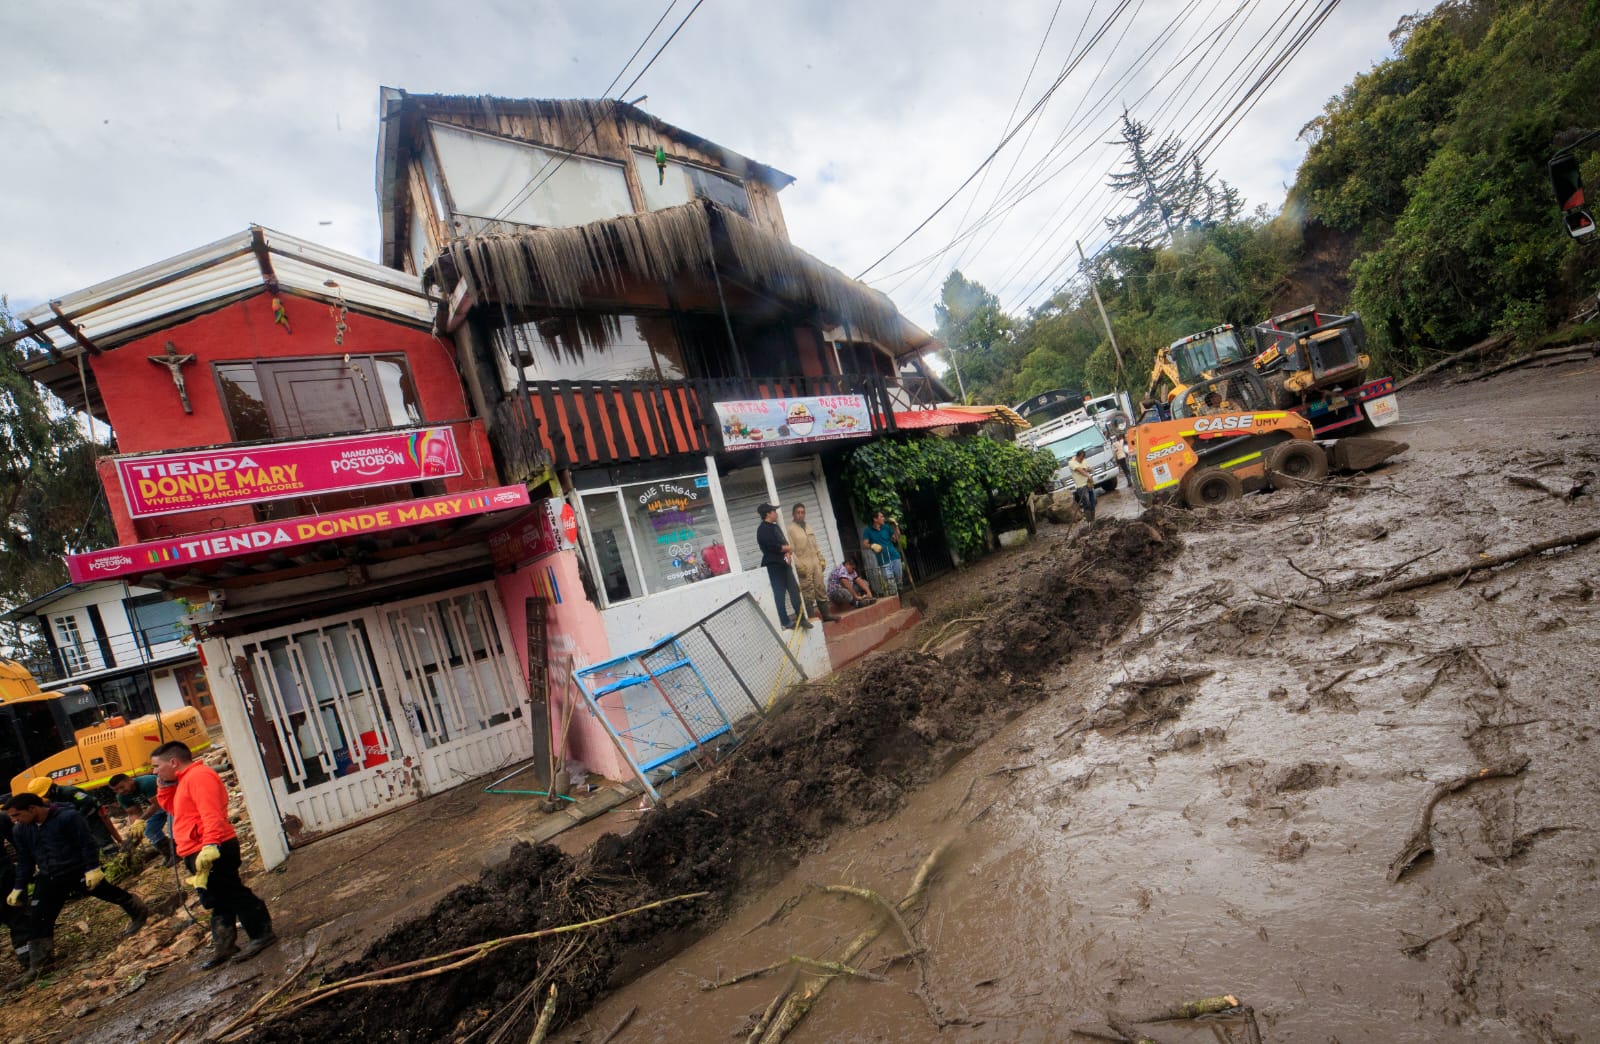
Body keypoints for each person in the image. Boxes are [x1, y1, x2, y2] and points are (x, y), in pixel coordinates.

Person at [152, 741, 275, 967]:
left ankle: (262, 934)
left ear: (173, 762)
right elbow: (172, 808)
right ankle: (225, 945)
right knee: (216, 899)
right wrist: (164, 783)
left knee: (233, 892)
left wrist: (210, 844)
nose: (154, 771)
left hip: (212, 847)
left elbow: (212, 814)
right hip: (197, 849)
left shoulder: (199, 777)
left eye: (157, 767)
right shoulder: (183, 780)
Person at [4, 793, 149, 978]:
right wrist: (19, 886)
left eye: (17, 815)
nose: (15, 820)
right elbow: (25, 859)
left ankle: (138, 911)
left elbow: (87, 844)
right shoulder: (21, 830)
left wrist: (93, 868)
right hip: (49, 875)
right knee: (39, 917)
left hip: (77, 869)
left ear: (32, 808)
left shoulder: (68, 817)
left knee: (107, 892)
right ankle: (41, 964)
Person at [756, 503, 809, 631]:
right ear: (768, 513)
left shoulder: (775, 527)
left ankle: (801, 618)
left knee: (795, 591)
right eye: (774, 511)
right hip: (774, 567)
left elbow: (783, 543)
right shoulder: (763, 529)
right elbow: (773, 547)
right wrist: (788, 548)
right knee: (779, 594)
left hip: (785, 565)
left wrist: (788, 553)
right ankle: (785, 621)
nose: (776, 513)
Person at [24, 776, 115, 850]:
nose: (45, 796)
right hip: (80, 820)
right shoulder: (54, 796)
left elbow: (87, 801)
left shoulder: (69, 791)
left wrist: (78, 816)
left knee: (102, 839)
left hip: (91, 816)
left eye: (45, 794)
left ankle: (112, 852)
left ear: (51, 787)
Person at [108, 773, 175, 867]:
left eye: (122, 787)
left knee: (173, 829)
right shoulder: (121, 796)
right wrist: (134, 828)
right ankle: (169, 855)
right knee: (150, 831)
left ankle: (181, 852)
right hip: (156, 808)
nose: (120, 791)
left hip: (171, 802)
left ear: (130, 780)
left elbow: (157, 804)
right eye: (116, 790)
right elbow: (133, 813)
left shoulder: (147, 782)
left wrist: (141, 820)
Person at [786, 503, 837, 623]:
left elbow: (815, 545)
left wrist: (821, 559)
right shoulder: (790, 529)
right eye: (798, 512)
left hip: (815, 563)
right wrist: (799, 567)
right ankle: (812, 618)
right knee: (807, 592)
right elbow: (791, 551)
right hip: (804, 566)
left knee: (820, 588)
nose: (800, 515)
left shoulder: (808, 527)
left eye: (802, 512)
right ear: (793, 514)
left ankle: (826, 615)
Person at [860, 511, 904, 595]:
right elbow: (864, 544)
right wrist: (872, 545)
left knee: (899, 581)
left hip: (895, 556)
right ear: (875, 519)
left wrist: (896, 526)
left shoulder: (886, 527)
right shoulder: (868, 531)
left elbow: (896, 539)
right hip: (883, 561)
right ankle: (896, 601)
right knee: (890, 584)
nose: (883, 518)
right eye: (881, 517)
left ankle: (900, 595)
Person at [1069, 450, 1097, 522]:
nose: (1082, 460)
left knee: (1093, 500)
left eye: (1083, 458)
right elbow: (1079, 470)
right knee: (1086, 503)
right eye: (1081, 458)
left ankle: (1093, 519)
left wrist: (1088, 469)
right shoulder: (1071, 462)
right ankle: (1089, 521)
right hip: (1081, 486)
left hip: (1089, 484)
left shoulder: (1084, 461)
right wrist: (1087, 474)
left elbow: (1089, 468)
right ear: (1077, 456)